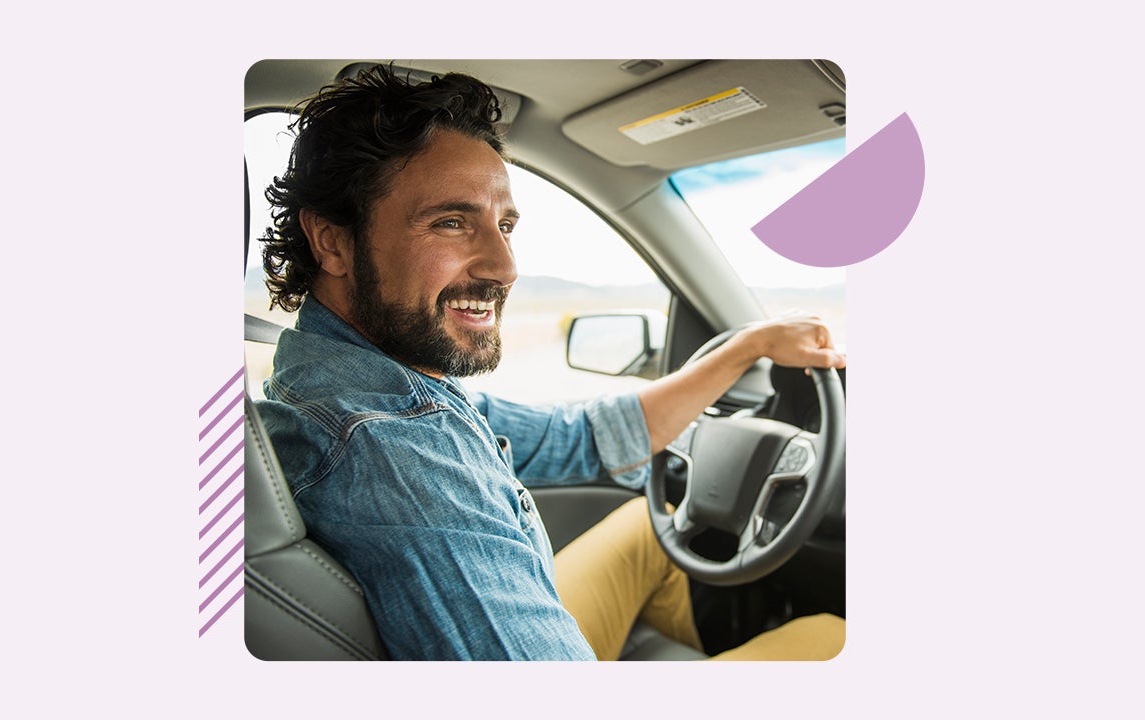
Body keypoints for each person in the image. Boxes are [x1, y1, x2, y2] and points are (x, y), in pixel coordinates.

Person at [254, 64, 847, 661]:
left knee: (650, 527)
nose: (504, 266)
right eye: (451, 222)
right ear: (332, 241)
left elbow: (582, 438)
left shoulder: (356, 380)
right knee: (831, 635)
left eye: (504, 224)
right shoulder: (400, 449)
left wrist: (748, 345)